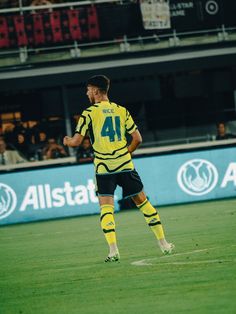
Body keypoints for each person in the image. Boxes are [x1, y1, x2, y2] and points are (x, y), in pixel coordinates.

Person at [63, 75, 174, 262]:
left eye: (89, 89)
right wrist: (127, 153)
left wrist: (66, 141)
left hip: (104, 168)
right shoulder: (122, 111)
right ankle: (163, 244)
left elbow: (76, 142)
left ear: (96, 91)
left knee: (106, 209)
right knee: (144, 203)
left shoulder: (89, 113)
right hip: (124, 165)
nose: (87, 93)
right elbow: (137, 139)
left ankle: (113, 251)